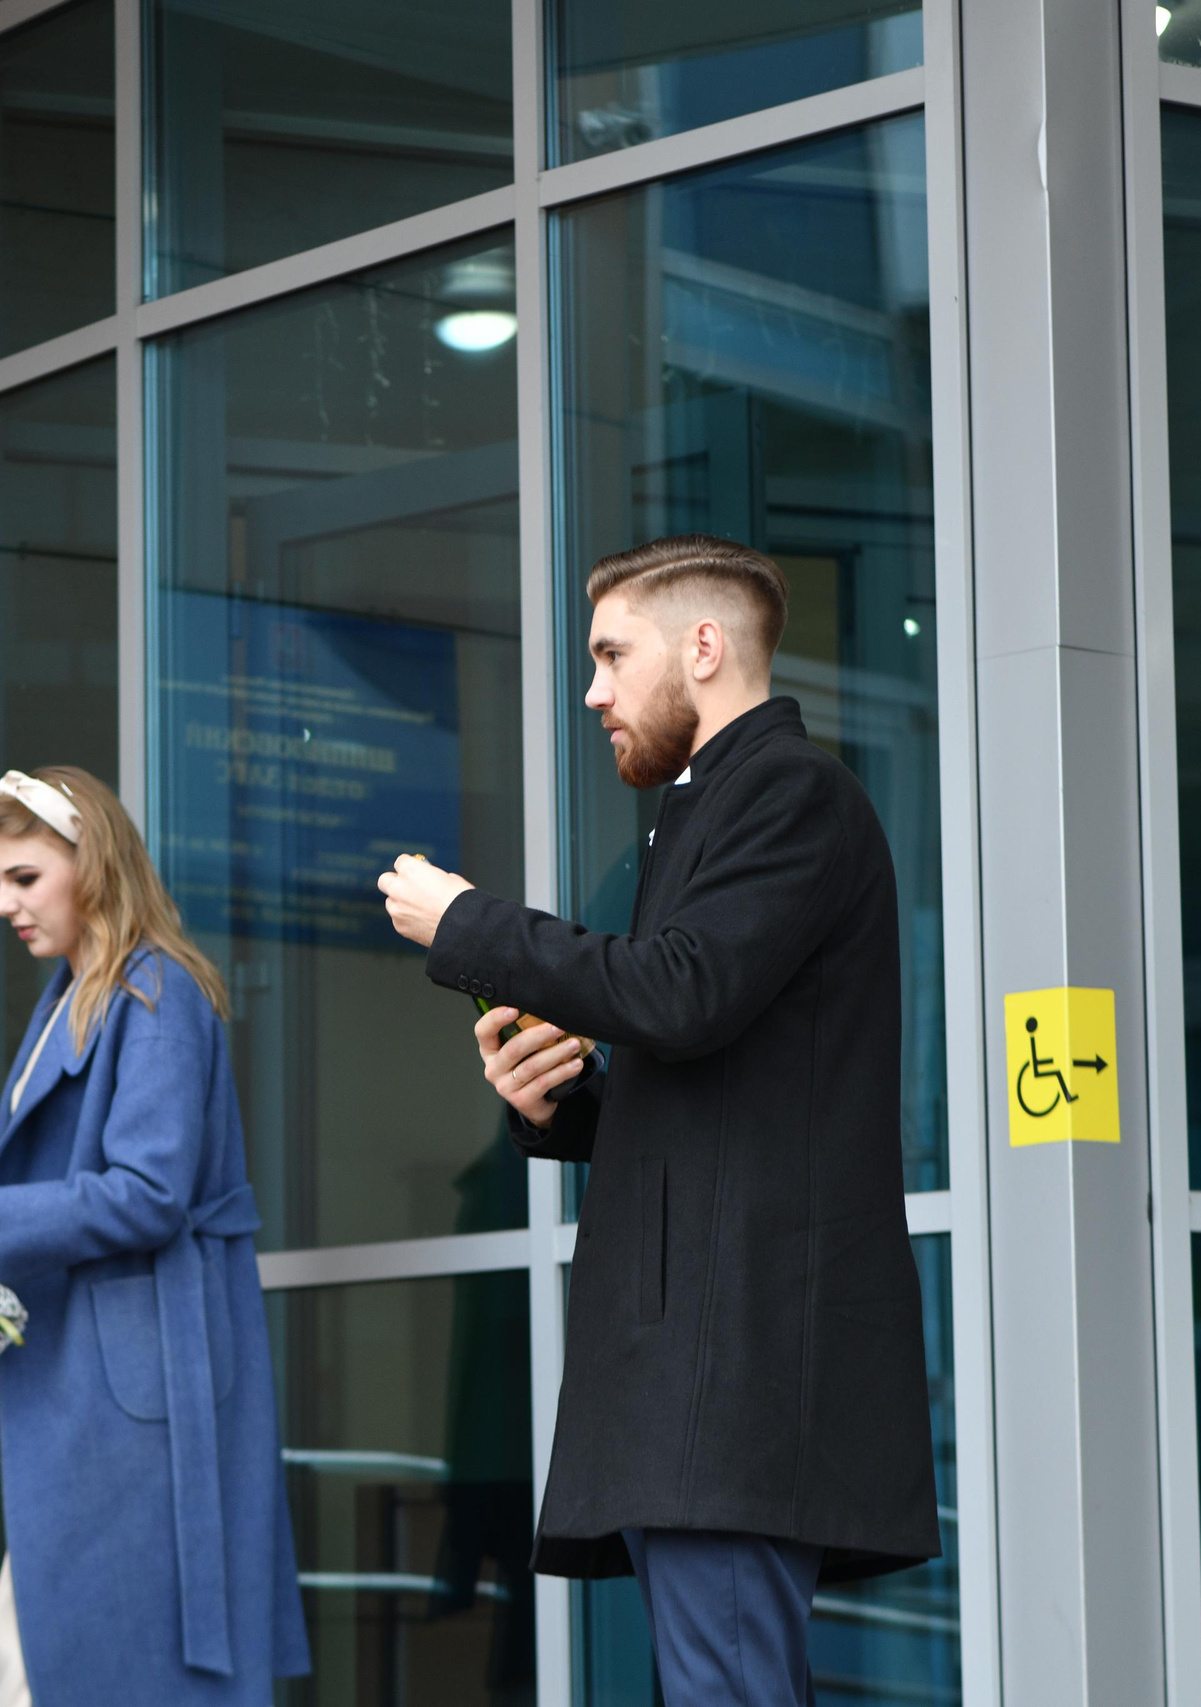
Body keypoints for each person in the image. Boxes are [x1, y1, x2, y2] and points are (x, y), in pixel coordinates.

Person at [376, 535, 939, 1707]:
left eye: (610, 655)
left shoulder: (789, 793)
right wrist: (563, 1098)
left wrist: (469, 923)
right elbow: (711, 1074)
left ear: (704, 646)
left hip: (730, 1368)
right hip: (704, 1371)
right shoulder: (712, 810)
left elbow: (680, 994)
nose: (592, 692)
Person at [0, 766, 308, 1707]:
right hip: (103, 1376)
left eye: (25, 877)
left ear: (94, 865)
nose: (3, 903)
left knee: (80, 1661)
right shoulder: (86, 989)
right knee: (51, 1658)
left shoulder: (154, 991)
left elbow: (148, 1194)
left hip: (140, 1385)